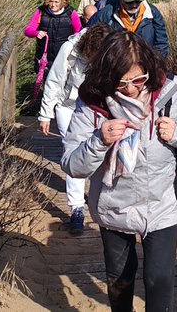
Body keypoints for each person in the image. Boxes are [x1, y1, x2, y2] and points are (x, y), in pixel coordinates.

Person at [62, 31, 177, 312]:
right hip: (113, 207)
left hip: (162, 204)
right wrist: (99, 141)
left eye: (139, 80)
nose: (131, 89)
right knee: (120, 280)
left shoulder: (176, 90)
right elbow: (72, 164)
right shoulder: (92, 103)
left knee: (159, 280)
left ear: (150, 68)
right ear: (106, 76)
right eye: (121, 83)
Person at [38, 24, 116, 234]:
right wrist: (46, 114)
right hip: (69, 107)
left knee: (101, 152)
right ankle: (76, 209)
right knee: (74, 154)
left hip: (98, 108)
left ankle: (103, 200)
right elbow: (54, 81)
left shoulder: (112, 50)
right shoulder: (70, 49)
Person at [87, 0, 170, 59]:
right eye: (129, 1)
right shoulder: (107, 14)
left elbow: (162, 43)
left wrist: (155, 64)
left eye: (137, 1)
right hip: (117, 68)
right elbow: (87, 36)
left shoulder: (152, 13)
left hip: (147, 67)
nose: (134, 5)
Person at [23, 0, 83, 96]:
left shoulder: (71, 13)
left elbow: (79, 31)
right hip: (44, 58)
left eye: (56, 2)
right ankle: (45, 109)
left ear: (62, 2)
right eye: (51, 1)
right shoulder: (41, 12)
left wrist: (74, 38)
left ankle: (58, 109)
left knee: (62, 87)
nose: (53, 4)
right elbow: (28, 30)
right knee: (47, 87)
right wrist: (37, 33)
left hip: (64, 57)